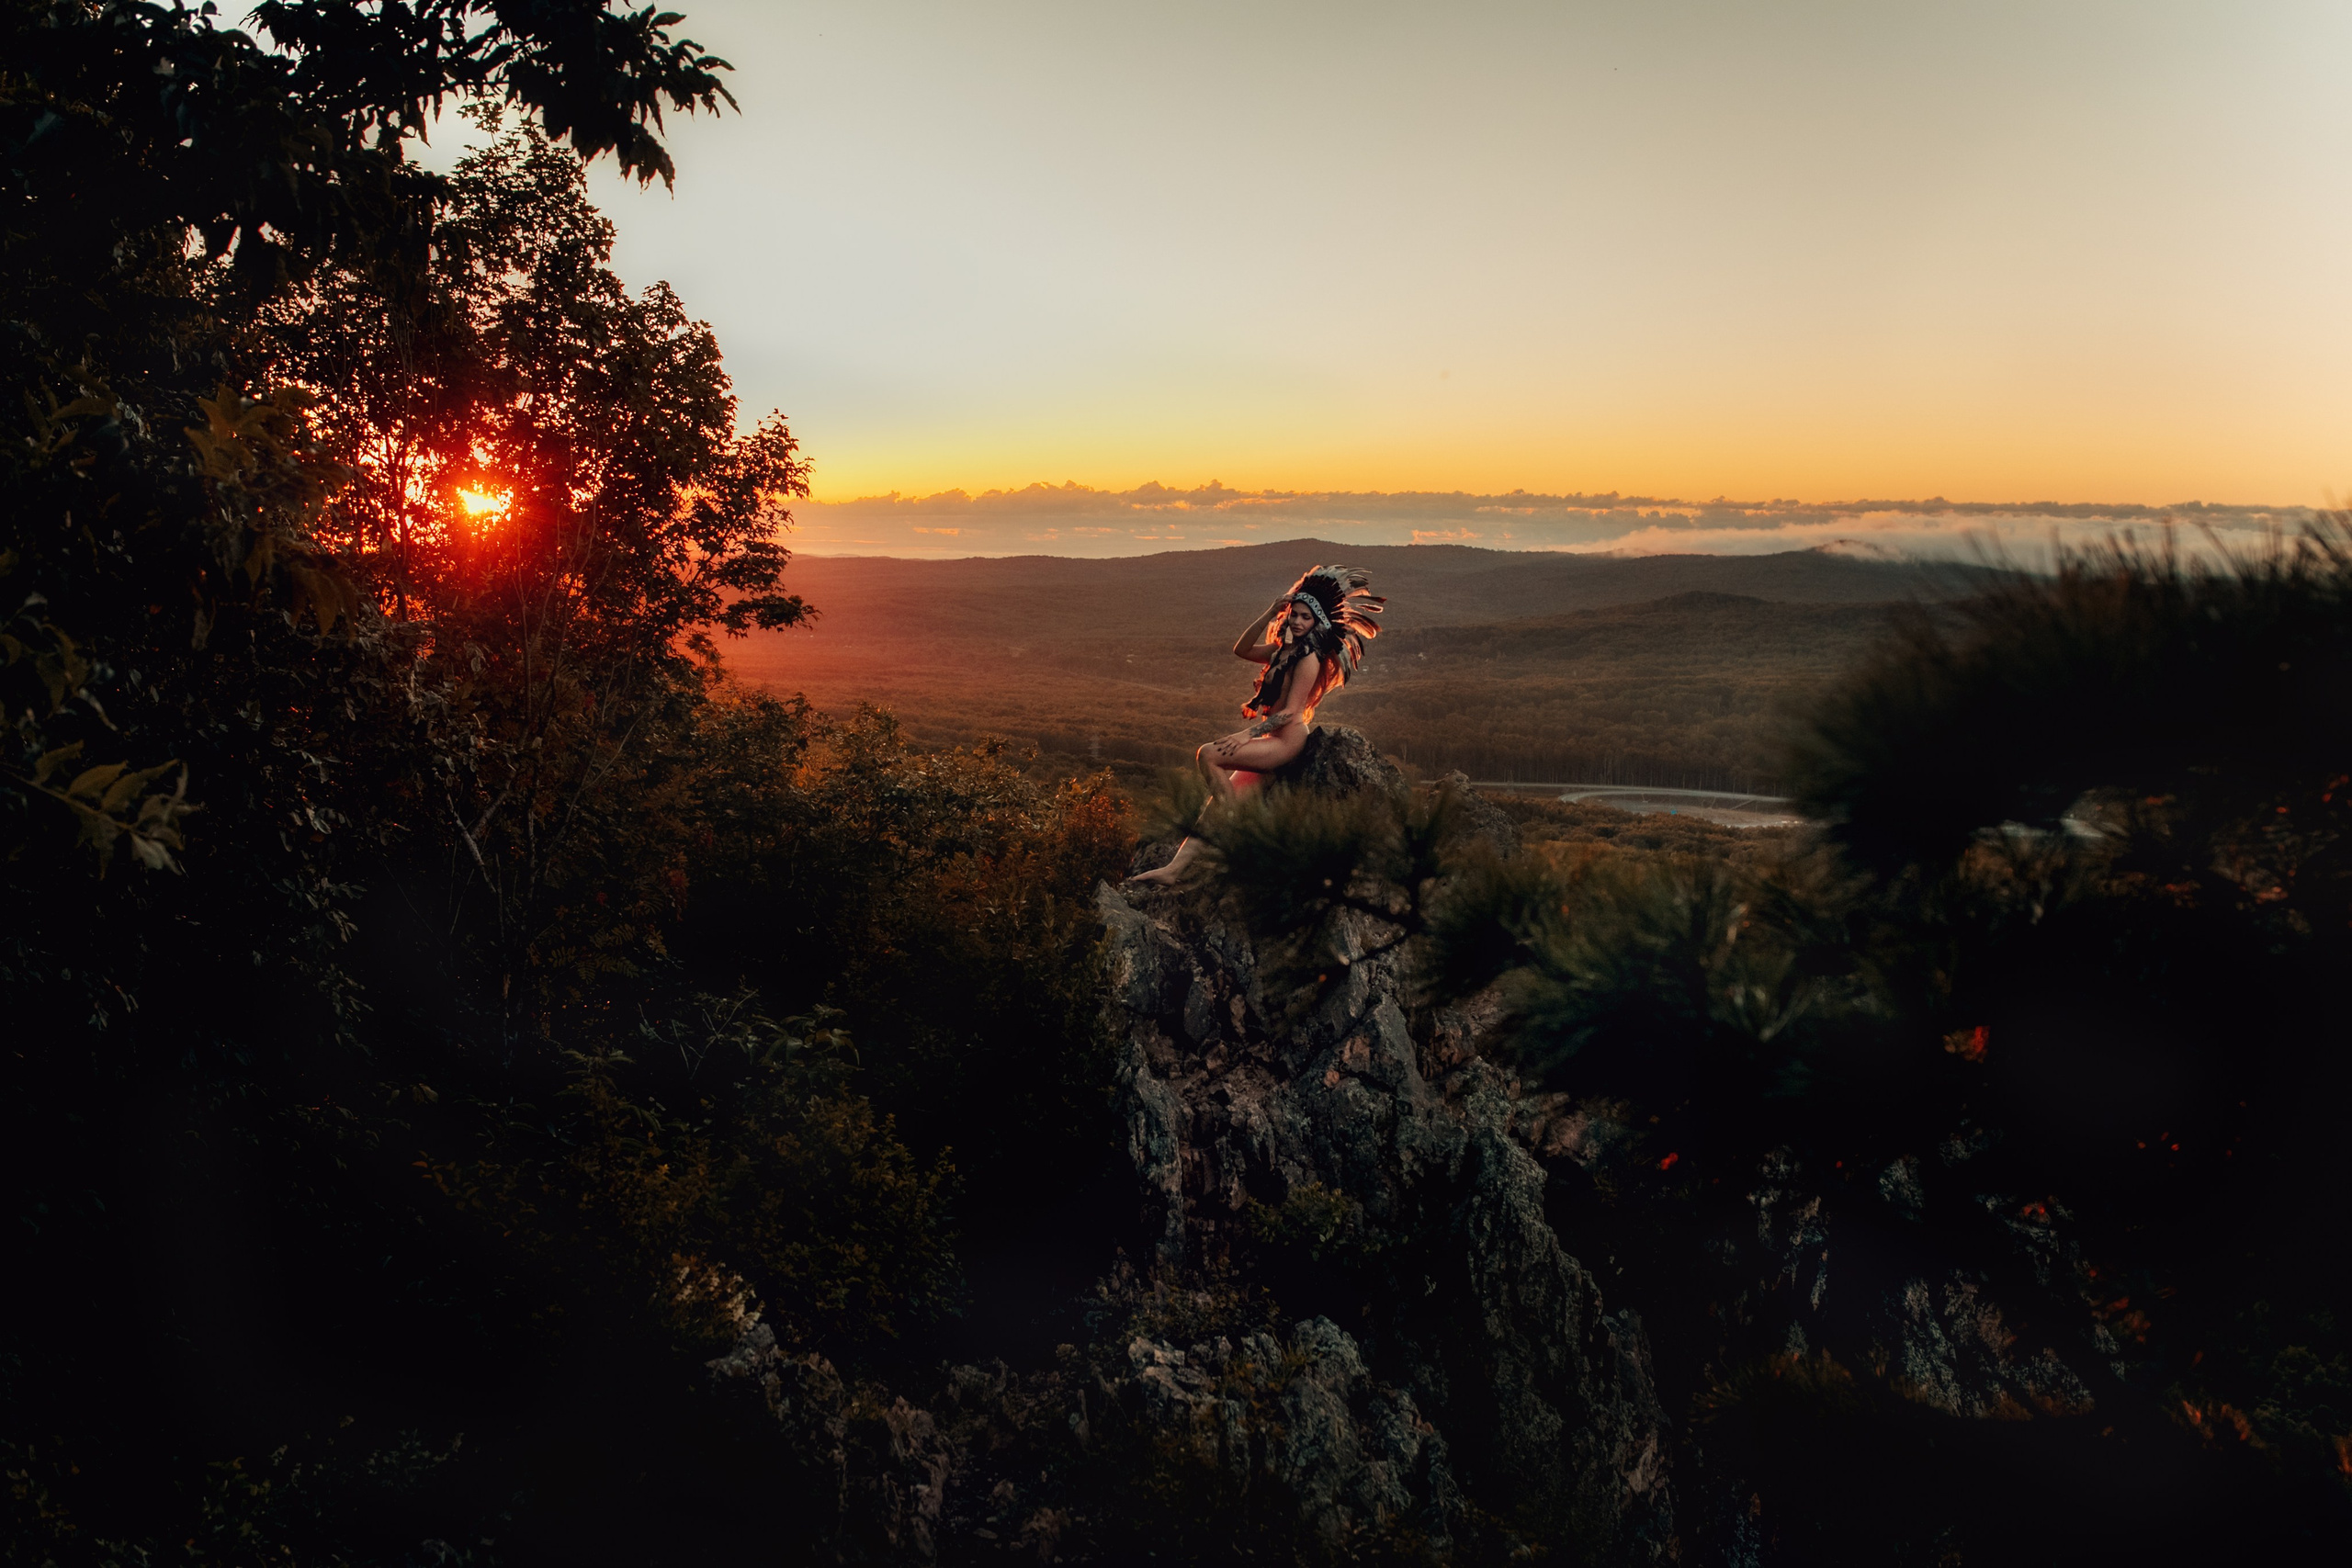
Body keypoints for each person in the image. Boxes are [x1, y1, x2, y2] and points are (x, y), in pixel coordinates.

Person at [1125, 565, 1385, 886]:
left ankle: (1239, 834)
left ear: (1317, 621)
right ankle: (1174, 870)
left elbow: (1292, 713)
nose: (1298, 622)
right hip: (1271, 741)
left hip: (1287, 743)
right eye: (1295, 615)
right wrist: (1270, 612)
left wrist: (1246, 734)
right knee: (1217, 802)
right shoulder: (1282, 650)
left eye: (1306, 617)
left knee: (1208, 755)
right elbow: (1242, 649)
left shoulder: (1309, 658)